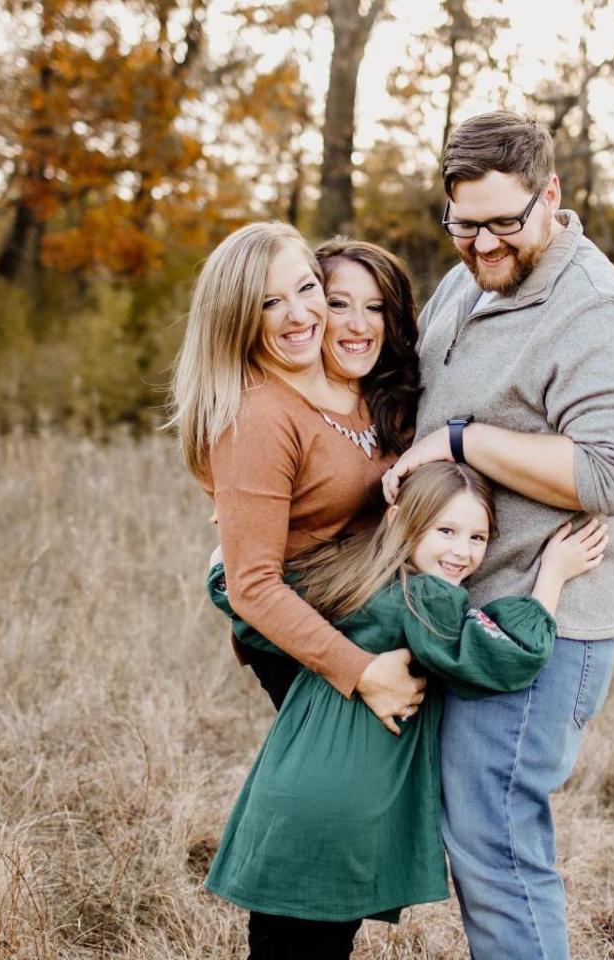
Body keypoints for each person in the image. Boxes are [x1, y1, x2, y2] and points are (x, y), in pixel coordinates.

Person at [383, 111, 614, 960]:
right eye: (462, 224)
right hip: (463, 612)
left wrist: (463, 440)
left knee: (499, 852)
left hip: (538, 628)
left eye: (504, 222)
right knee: (478, 846)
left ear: (552, 195)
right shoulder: (470, 276)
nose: (481, 245)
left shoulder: (600, 315)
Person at [204, 462, 609, 959]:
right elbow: (497, 656)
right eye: (447, 530)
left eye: (478, 537)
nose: (462, 551)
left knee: (278, 943)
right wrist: (551, 580)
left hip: (289, 793)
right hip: (345, 808)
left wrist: (236, 540)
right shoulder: (426, 596)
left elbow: (251, 606)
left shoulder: (352, 576)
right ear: (397, 519)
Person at [169, 223, 425, 956]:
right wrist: (362, 671)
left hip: (348, 620)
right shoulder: (257, 415)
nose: (300, 314)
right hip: (314, 640)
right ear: (237, 318)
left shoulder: (344, 386)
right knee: (319, 831)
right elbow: (250, 585)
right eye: (268, 302)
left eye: (306, 289)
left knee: (340, 835)